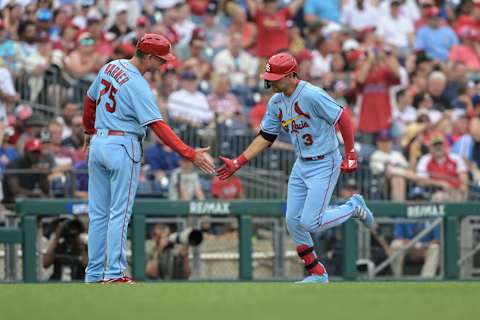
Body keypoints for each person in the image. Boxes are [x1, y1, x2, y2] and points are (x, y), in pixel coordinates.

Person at [216, 52, 374, 283]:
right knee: (292, 221)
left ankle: (353, 206)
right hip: (302, 163)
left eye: (275, 77)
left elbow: (343, 117)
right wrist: (239, 161)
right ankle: (317, 273)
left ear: (291, 75)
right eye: (269, 76)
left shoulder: (311, 94)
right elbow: (266, 136)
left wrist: (350, 152)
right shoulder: (276, 101)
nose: (270, 81)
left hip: (324, 161)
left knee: (311, 222)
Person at [82, 33, 215, 284]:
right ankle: (114, 274)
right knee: (119, 213)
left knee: (98, 214)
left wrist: (89, 131)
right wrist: (189, 153)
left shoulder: (111, 66)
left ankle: (93, 275)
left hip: (99, 142)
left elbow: (90, 100)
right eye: (162, 59)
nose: (165, 63)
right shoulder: (138, 85)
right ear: (150, 57)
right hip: (123, 145)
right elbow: (158, 126)